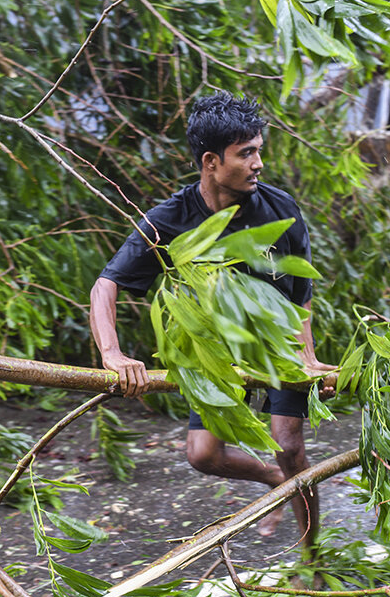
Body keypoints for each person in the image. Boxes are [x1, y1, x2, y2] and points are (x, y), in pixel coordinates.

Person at [88, 92, 334, 563]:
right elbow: (106, 285)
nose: (259, 163)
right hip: (216, 352)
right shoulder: (170, 219)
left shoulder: (280, 210)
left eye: (259, 149)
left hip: (277, 344)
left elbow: (300, 293)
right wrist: (113, 355)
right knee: (202, 455)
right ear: (210, 161)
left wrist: (306, 355)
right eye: (247, 153)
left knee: (289, 445)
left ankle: (312, 559)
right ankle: (274, 481)